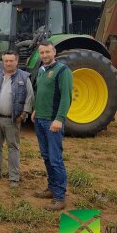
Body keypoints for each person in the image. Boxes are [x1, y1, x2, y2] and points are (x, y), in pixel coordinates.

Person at [31, 41, 73, 210]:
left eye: (48, 52)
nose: (45, 55)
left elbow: (66, 97)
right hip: (40, 119)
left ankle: (59, 196)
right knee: (46, 156)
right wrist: (35, 110)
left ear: (54, 52)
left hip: (52, 122)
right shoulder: (42, 71)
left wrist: (59, 119)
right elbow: (40, 93)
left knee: (55, 159)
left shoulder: (63, 71)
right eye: (42, 53)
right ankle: (51, 188)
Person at [0, 51, 34, 189]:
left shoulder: (23, 77)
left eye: (11, 61)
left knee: (13, 148)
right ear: (3, 61)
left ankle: (14, 177)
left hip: (12, 120)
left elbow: (29, 97)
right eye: (6, 61)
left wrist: (23, 115)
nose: (8, 63)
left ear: (17, 61)